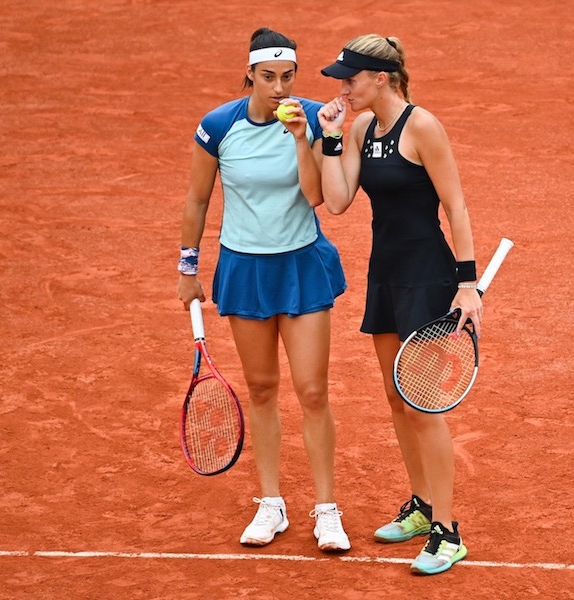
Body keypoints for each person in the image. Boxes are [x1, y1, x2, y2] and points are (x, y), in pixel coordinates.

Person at [176, 27, 350, 553]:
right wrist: (189, 268)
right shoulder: (218, 126)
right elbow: (197, 200)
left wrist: (304, 136)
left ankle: (327, 511)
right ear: (250, 73)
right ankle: (271, 504)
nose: (279, 87)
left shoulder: (313, 118)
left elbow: (317, 196)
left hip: (301, 264)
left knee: (313, 392)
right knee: (262, 390)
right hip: (244, 269)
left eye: (288, 77)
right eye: (268, 77)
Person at [317, 34, 482, 575]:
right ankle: (421, 505)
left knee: (423, 405)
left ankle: (448, 530)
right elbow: (337, 202)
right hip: (385, 276)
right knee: (395, 397)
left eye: (352, 78)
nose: (344, 88)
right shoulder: (364, 127)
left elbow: (456, 206)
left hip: (428, 278)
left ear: (381, 78)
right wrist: (331, 138)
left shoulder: (423, 127)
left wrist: (467, 284)